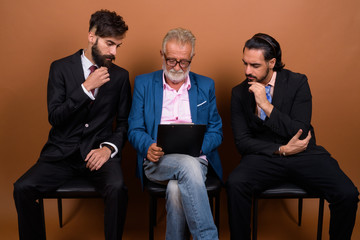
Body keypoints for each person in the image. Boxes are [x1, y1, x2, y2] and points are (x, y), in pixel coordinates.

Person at [226, 33, 359, 240]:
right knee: (235, 183)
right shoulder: (239, 92)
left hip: (304, 153)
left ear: (272, 63)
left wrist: (266, 106)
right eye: (245, 64)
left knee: (348, 194)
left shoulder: (298, 82)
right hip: (264, 156)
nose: (247, 71)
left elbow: (300, 131)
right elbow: (242, 142)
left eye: (254, 65)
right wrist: (281, 150)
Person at [13, 10, 131, 240]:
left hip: (99, 155)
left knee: (118, 188)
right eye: (109, 44)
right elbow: (55, 116)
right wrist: (86, 88)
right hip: (61, 155)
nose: (113, 52)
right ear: (91, 36)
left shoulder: (120, 77)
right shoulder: (60, 68)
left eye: (118, 46)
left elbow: (124, 122)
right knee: (22, 188)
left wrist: (108, 149)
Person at [128, 27, 223, 240]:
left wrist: (198, 147)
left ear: (192, 58)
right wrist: (147, 146)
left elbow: (217, 131)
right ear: (162, 55)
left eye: (184, 61)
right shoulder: (144, 84)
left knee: (175, 189)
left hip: (196, 159)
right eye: (171, 60)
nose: (178, 67)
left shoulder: (206, 85)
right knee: (186, 165)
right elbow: (134, 129)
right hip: (157, 161)